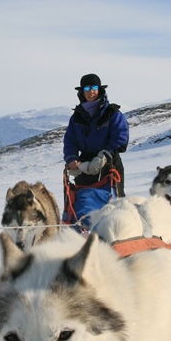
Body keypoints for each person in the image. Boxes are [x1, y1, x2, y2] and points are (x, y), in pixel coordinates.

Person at [62, 73, 129, 227]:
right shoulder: (76, 117)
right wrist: (71, 158)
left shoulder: (112, 113)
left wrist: (105, 155)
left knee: (114, 206)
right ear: (82, 92)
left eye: (94, 88)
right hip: (84, 168)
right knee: (82, 203)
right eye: (87, 88)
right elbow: (70, 141)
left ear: (99, 90)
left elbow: (121, 138)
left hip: (109, 166)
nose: (91, 91)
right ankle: (83, 233)